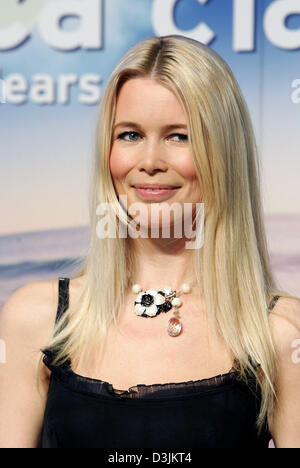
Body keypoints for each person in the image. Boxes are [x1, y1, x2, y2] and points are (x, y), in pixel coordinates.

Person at [0, 35, 300, 449]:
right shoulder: (33, 320)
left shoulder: (282, 333)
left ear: (224, 152)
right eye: (130, 135)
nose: (149, 161)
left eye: (179, 136)